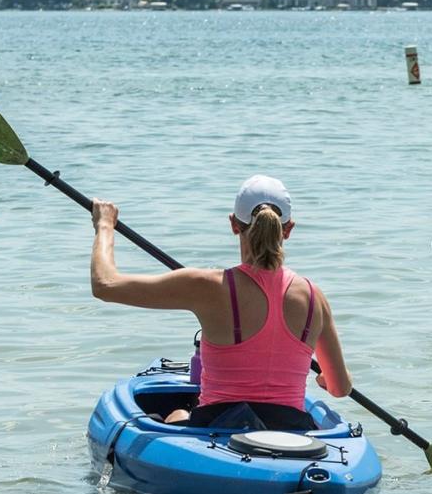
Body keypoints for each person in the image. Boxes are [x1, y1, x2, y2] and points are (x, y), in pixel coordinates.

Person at [89, 174, 351, 430]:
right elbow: (341, 388)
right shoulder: (314, 297)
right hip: (290, 430)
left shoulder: (209, 286)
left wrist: (104, 226)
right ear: (289, 229)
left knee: (178, 413)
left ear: (234, 225)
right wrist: (325, 379)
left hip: (219, 426)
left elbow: (105, 285)